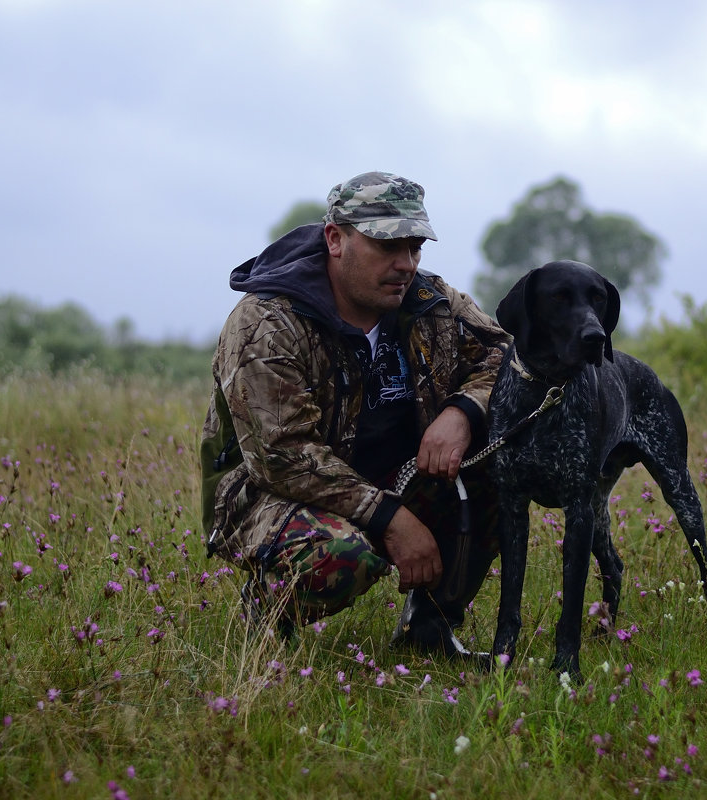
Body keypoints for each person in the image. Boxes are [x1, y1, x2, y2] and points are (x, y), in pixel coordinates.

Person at [200, 171, 509, 657]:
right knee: (342, 557)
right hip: (265, 491)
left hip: (392, 476)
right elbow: (282, 455)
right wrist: (391, 518)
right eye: (387, 246)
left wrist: (464, 410)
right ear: (335, 239)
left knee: (497, 469)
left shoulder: (431, 302)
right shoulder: (266, 322)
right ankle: (265, 617)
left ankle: (429, 631)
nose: (405, 264)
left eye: (415, 247)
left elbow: (507, 358)